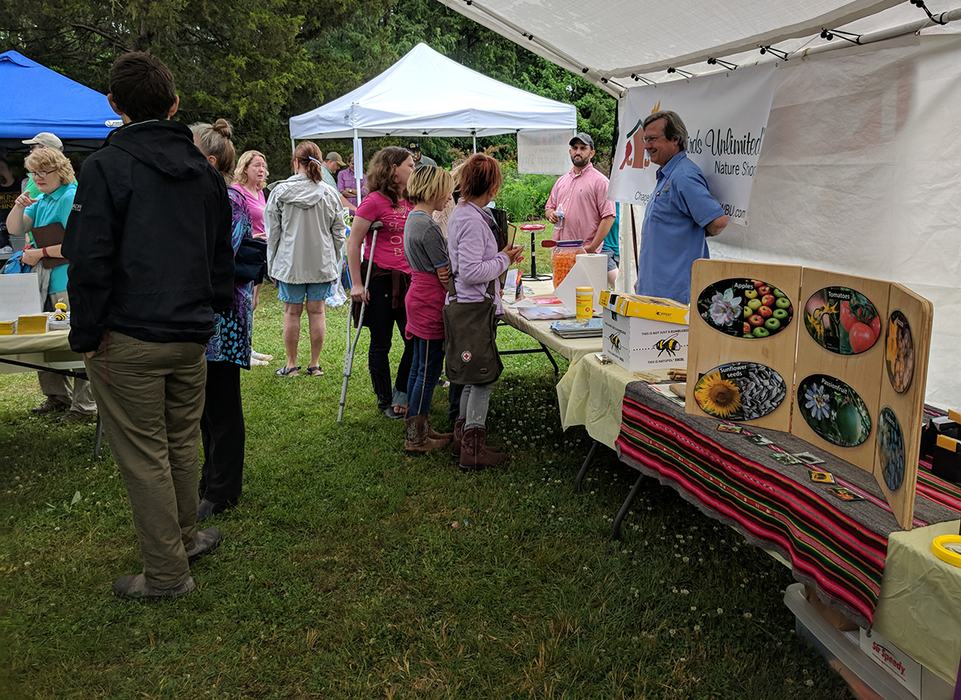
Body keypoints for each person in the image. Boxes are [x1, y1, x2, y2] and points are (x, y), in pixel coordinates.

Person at [64, 51, 233, 600]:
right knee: (181, 442)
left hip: (132, 334)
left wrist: (87, 336)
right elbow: (218, 261)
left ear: (114, 105)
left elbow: (89, 261)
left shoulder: (106, 168)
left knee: (147, 454)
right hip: (187, 332)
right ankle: (182, 539)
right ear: (175, 103)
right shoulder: (203, 174)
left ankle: (166, 572)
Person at [5, 148, 97, 419]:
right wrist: (19, 205)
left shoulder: (70, 197)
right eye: (34, 171)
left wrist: (40, 253)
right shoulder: (41, 198)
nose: (39, 176)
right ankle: (56, 397)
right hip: (46, 283)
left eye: (45, 170)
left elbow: (78, 245)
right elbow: (15, 229)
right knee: (45, 342)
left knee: (74, 344)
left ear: (61, 170)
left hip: (67, 282)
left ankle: (84, 406)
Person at [191, 120, 253, 521]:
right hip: (208, 312)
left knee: (222, 402)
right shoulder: (210, 195)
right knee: (205, 405)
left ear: (209, 160)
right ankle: (210, 478)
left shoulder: (229, 200)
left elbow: (216, 257)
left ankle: (223, 488)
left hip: (224, 315)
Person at [446, 154, 523, 471]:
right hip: (473, 308)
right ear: (491, 186)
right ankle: (472, 448)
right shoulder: (473, 221)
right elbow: (470, 271)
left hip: (467, 305)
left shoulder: (464, 214)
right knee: (481, 377)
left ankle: (462, 437)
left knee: (470, 376)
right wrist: (503, 259)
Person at [265, 141, 346, 377]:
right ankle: (315, 364)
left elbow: (274, 234)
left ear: (295, 162)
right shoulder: (329, 193)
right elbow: (338, 232)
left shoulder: (280, 192)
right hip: (321, 261)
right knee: (318, 311)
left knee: (291, 312)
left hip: (290, 263)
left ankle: (291, 365)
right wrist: (335, 258)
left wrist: (272, 263)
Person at [346, 147, 415, 419]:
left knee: (414, 338)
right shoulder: (373, 201)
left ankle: (401, 391)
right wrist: (356, 284)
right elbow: (353, 243)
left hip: (409, 279)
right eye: (409, 166)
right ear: (393, 169)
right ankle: (384, 398)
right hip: (380, 278)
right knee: (381, 342)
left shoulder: (411, 199)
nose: (413, 170)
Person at [635, 111, 728, 304]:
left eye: (652, 139)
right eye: (645, 140)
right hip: (657, 292)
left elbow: (718, 222)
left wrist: (693, 233)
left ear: (675, 139)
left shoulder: (683, 176)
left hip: (676, 297)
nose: (646, 146)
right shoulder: (669, 174)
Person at [401, 165, 455, 453]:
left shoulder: (414, 218)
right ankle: (417, 438)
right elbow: (443, 273)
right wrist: (457, 297)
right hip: (430, 300)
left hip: (418, 296)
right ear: (434, 189)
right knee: (428, 369)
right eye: (446, 189)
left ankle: (417, 427)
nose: (449, 196)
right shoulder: (429, 226)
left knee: (418, 366)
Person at [545, 133, 616, 265]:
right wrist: (551, 215)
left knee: (586, 287)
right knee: (561, 286)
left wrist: (592, 248)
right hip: (560, 253)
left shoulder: (600, 182)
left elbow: (609, 217)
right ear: (570, 151)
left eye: (583, 148)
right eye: (575, 148)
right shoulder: (561, 181)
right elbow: (549, 208)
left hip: (586, 254)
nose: (578, 152)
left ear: (592, 153)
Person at [230, 149, 273, 366]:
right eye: (256, 165)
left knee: (253, 301)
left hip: (259, 253)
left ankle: (249, 345)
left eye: (263, 166)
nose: (261, 170)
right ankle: (243, 348)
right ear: (244, 167)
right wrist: (254, 235)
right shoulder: (237, 192)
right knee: (244, 301)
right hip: (244, 254)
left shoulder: (260, 193)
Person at [20, 132, 64, 199]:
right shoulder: (66, 173)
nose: (30, 151)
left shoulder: (39, 177)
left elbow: (26, 205)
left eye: (32, 147)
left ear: (44, 149)